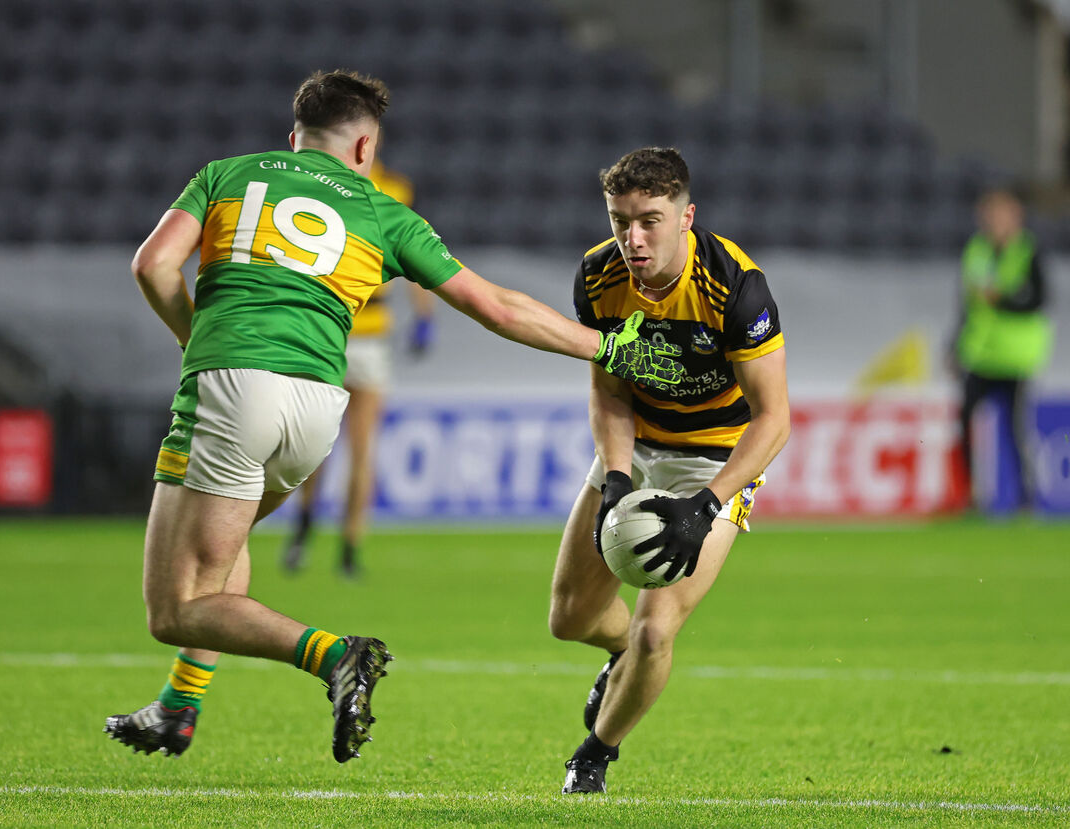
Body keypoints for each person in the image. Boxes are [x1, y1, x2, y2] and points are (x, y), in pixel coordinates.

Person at [103, 70, 685, 764]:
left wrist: (194, 336)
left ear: (296, 135)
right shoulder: (382, 210)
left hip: (233, 385)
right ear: (363, 147)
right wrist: (610, 346)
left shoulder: (229, 174)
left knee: (174, 607)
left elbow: (153, 265)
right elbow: (496, 306)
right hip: (316, 407)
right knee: (225, 543)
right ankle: (179, 705)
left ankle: (335, 655)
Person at [548, 147, 791, 793]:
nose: (632, 237)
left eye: (649, 219)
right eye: (619, 219)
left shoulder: (736, 285)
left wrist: (707, 505)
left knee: (657, 629)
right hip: (637, 448)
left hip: (714, 459)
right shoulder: (599, 276)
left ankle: (594, 753)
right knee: (569, 618)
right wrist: (620, 476)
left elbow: (774, 418)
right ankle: (617, 651)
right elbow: (608, 391)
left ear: (687, 217)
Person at [282, 160, 434, 578]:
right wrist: (425, 317)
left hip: (349, 332)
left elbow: (410, 252)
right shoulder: (389, 189)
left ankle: (338, 543)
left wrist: (423, 314)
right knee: (320, 445)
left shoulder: (327, 185)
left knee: (349, 447)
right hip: (337, 332)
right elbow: (417, 254)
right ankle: (316, 534)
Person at [953, 187, 1053, 510]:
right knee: (965, 421)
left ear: (1016, 216)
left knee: (1015, 429)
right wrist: (955, 343)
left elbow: (1039, 299)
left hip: (1015, 357)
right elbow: (967, 305)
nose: (995, 220)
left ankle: (1025, 497)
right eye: (991, 213)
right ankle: (971, 496)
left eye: (1002, 213)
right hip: (980, 354)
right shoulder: (976, 250)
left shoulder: (1028, 251)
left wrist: (1004, 299)